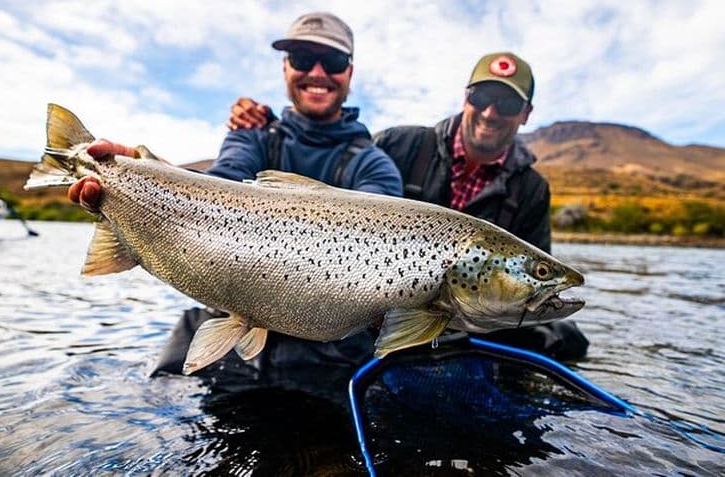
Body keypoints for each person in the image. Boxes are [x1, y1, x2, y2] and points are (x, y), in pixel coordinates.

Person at [67, 12, 404, 378]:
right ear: (286, 69)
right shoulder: (251, 135)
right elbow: (217, 185)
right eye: (304, 60)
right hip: (230, 334)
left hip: (325, 361)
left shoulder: (376, 165)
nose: (318, 73)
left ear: (349, 73)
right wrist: (152, 173)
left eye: (334, 61)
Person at [226, 52, 589, 360]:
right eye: (481, 98)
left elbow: (524, 293)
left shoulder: (532, 189)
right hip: (366, 308)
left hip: (470, 320)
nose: (491, 112)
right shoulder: (402, 144)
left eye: (508, 104)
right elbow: (328, 193)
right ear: (466, 99)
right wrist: (271, 126)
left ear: (526, 113)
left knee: (566, 340)